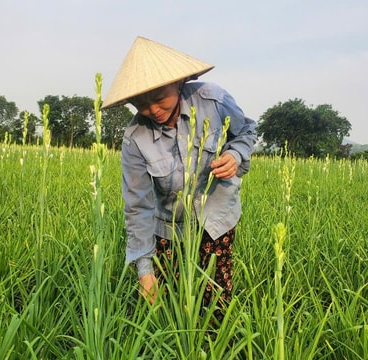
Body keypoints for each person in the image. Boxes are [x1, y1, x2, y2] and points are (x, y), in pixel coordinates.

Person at [102, 36, 256, 319]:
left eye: (159, 99)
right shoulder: (135, 139)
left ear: (180, 82)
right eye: (141, 105)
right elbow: (138, 207)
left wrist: (235, 156)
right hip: (169, 228)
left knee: (215, 301)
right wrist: (144, 270)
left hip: (216, 220)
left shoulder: (214, 100)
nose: (153, 111)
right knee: (168, 303)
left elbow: (246, 132)